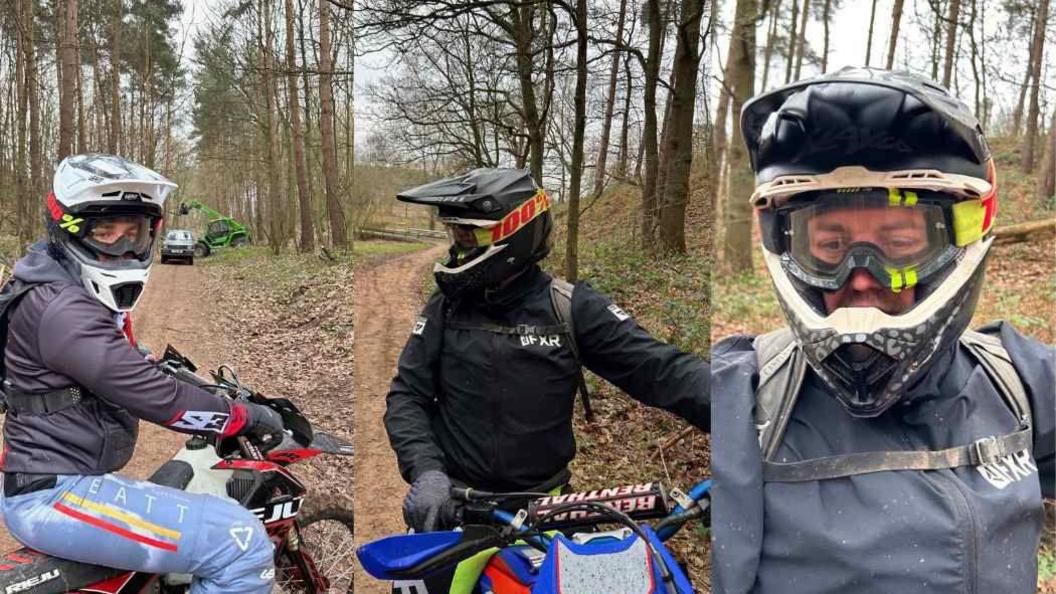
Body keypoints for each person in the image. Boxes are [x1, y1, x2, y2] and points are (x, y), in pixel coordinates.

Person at [711, 67, 1054, 593]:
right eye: (829, 247)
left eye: (898, 243)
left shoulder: (1019, 383)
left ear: (958, 238)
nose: (863, 277)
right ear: (786, 243)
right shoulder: (743, 399)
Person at [384, 167, 708, 590]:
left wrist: (740, 403)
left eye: (469, 235)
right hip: (457, 509)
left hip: (550, 511)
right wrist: (426, 471)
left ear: (514, 235)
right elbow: (407, 395)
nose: (458, 246)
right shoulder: (445, 309)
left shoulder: (568, 308)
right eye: (455, 235)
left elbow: (661, 369)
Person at [0, 154, 287, 593]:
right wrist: (243, 416)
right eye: (105, 231)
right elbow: (160, 400)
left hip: (61, 475)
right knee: (241, 541)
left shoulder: (51, 281)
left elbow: (109, 361)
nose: (122, 245)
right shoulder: (63, 308)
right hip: (54, 495)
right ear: (69, 230)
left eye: (133, 231)